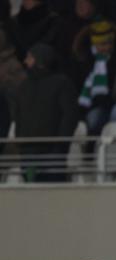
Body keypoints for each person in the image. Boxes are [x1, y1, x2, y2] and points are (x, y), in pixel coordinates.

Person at [11, 43, 77, 182]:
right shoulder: (23, 86)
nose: (25, 61)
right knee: (31, 193)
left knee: (55, 195)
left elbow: (69, 116)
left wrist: (61, 145)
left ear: (40, 60)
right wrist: (21, 142)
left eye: (29, 58)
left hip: (53, 152)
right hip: (28, 152)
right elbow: (18, 116)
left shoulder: (62, 83)